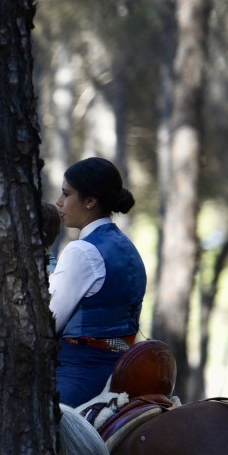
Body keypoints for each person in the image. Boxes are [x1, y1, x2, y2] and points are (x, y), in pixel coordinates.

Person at [50, 157, 146, 409]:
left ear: (90, 201)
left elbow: (46, 321)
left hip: (79, 376)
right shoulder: (128, 248)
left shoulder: (82, 251)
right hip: (123, 374)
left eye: (66, 193)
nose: (59, 202)